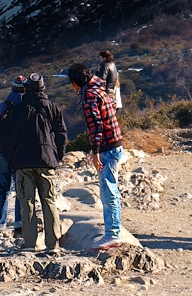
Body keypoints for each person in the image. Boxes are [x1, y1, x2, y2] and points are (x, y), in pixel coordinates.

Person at [0, 73, 67, 254]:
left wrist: (13, 160)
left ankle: (30, 243)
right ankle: (53, 245)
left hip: (23, 163)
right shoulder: (53, 108)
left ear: (26, 89)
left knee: (27, 202)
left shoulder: (18, 109)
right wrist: (57, 157)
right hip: (47, 161)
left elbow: (9, 139)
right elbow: (61, 135)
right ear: (43, 89)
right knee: (49, 201)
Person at [68, 63, 125, 251]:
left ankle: (112, 235)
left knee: (108, 192)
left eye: (72, 83)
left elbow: (96, 126)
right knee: (111, 190)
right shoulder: (99, 88)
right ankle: (112, 232)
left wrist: (95, 153)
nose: (72, 87)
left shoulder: (88, 95)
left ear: (76, 82)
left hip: (107, 147)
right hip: (115, 143)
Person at [0, 76, 26, 232]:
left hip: (3, 152)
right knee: (20, 189)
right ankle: (19, 223)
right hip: (19, 153)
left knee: (2, 189)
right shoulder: (26, 106)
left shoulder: (2, 106)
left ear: (12, 88)